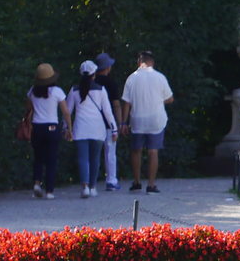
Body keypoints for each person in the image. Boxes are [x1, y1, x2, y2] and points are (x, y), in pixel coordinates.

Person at [121, 50, 172, 193]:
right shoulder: (160, 77)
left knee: (136, 151)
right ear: (152, 62)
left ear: (139, 62)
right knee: (153, 151)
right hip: (156, 119)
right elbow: (170, 98)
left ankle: (137, 182)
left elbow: (126, 103)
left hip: (137, 119)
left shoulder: (132, 78)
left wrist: (123, 123)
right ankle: (151, 184)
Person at [68, 60, 118, 198]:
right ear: (94, 74)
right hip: (97, 128)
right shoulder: (101, 90)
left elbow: (68, 111)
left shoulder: (74, 90)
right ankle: (93, 186)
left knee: (83, 158)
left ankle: (84, 186)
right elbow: (108, 112)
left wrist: (66, 128)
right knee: (95, 158)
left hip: (80, 128)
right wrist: (114, 129)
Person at [24, 63, 71, 199]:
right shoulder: (57, 91)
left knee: (38, 157)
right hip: (52, 127)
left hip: (36, 127)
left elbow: (28, 108)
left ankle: (37, 184)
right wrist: (69, 128)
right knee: (51, 159)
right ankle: (49, 190)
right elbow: (66, 112)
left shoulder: (32, 91)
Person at [93, 51, 125, 191]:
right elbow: (116, 105)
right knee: (110, 152)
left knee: (92, 153)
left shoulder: (91, 82)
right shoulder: (111, 83)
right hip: (108, 122)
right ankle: (111, 180)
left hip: (93, 122)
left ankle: (90, 181)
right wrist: (120, 122)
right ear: (107, 68)